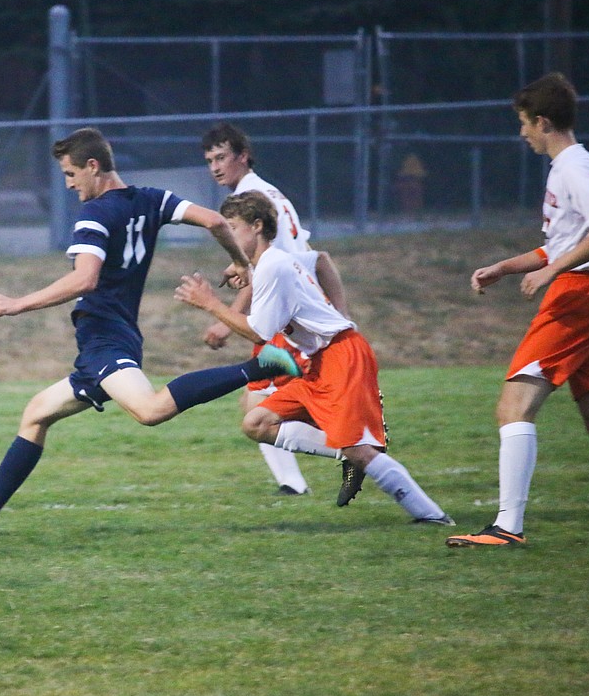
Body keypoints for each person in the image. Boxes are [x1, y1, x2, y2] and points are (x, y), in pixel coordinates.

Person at [0, 127, 300, 538]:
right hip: (110, 340)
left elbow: (85, 280)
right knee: (36, 415)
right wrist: (242, 262)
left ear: (93, 166)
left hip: (104, 338)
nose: (68, 184)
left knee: (149, 410)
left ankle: (257, 367)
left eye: (70, 173)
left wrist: (17, 304)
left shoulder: (94, 215)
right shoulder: (152, 199)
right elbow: (216, 220)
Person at [445, 73, 589, 547]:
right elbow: (559, 245)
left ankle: (507, 528)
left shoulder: (575, 167)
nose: (522, 134)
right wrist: (505, 267)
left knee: (513, 405)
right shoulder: (568, 167)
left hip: (579, 296)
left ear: (542, 121)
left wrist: (553, 271)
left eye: (524, 124)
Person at [174, 191, 454, 526]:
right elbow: (319, 261)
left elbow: (259, 334)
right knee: (256, 422)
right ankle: (351, 451)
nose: (228, 238)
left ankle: (432, 516)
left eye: (233, 228)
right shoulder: (273, 261)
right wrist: (245, 269)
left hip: (342, 357)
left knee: (359, 451)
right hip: (321, 360)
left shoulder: (273, 267)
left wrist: (210, 303)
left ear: (258, 226)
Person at [200, 122, 363, 504]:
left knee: (260, 406)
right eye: (209, 160)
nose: (215, 167)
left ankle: (357, 454)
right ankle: (306, 476)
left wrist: (224, 317)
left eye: (222, 157)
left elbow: (272, 266)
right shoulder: (267, 192)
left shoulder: (251, 198)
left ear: (243, 156)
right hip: (298, 314)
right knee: (261, 402)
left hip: (288, 318)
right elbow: (314, 256)